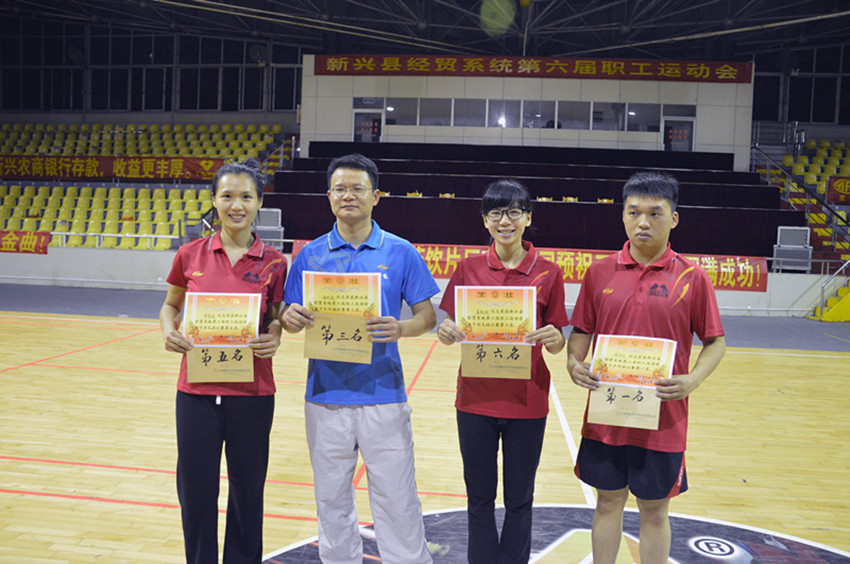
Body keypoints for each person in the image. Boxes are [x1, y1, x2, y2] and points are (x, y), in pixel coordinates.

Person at [280, 153, 438, 564]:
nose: (348, 195)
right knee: (330, 497)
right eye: (340, 189)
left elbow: (427, 316)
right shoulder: (309, 255)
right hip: (325, 395)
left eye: (357, 188)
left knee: (396, 495)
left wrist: (401, 328)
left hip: (383, 393)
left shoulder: (400, 251)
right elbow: (288, 315)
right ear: (328, 196)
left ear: (376, 196)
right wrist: (288, 318)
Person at [566, 171, 726, 564]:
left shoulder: (692, 277)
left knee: (654, 511)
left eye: (655, 213)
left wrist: (693, 379)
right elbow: (582, 331)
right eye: (634, 212)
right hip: (606, 415)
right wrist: (574, 362)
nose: (643, 222)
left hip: (663, 419)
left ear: (674, 218)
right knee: (607, 502)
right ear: (623, 216)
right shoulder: (599, 272)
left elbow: (715, 341)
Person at [159, 160, 287, 564]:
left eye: (246, 196)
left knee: (248, 492)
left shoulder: (274, 262)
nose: (236, 205)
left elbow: (276, 318)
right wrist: (168, 330)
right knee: (196, 491)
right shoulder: (189, 254)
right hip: (196, 392)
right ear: (214, 200)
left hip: (252, 393)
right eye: (227, 196)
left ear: (259, 202)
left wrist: (275, 335)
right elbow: (170, 305)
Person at [437, 179, 569, 564]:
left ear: (528, 217)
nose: (504, 221)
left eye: (513, 212)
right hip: (474, 402)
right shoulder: (468, 268)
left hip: (527, 403)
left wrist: (554, 338)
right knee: (479, 497)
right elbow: (450, 327)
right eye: (496, 213)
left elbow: (557, 343)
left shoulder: (549, 273)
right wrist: (445, 332)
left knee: (519, 498)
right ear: (485, 220)